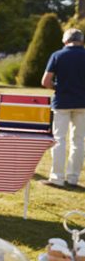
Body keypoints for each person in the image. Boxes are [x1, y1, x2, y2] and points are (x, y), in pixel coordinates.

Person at [41, 28, 85, 188]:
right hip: (83, 103)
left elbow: (46, 81)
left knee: (59, 140)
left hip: (62, 102)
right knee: (78, 141)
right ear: (81, 40)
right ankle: (73, 178)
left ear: (65, 41)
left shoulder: (58, 55)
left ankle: (57, 178)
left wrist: (57, 87)